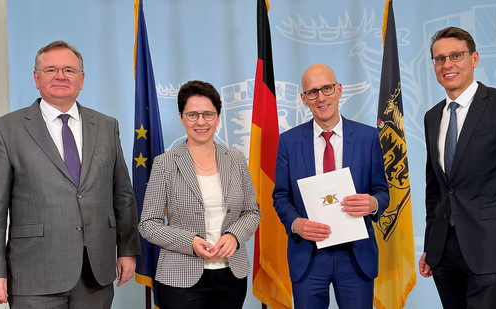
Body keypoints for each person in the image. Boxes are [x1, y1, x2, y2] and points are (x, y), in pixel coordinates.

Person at [0, 40, 140, 308]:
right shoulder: (6, 130)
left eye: (69, 70)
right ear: (36, 78)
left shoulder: (107, 126)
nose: (60, 76)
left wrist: (128, 250)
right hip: (33, 275)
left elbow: (122, 196)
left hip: (95, 275)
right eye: (51, 70)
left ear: (82, 79)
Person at [420, 26, 496, 309]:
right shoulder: (432, 117)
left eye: (456, 56)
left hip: (490, 251)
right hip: (444, 254)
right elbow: (435, 189)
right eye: (440, 59)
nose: (447, 65)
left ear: (474, 58)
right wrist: (430, 245)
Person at [272, 63, 389, 308]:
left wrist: (373, 203)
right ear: (304, 99)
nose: (321, 97)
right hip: (309, 254)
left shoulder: (368, 137)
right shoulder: (289, 142)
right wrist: (295, 223)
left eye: (327, 88)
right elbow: (281, 196)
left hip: (355, 254)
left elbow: (382, 191)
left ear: (339, 89)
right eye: (313, 92)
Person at [139, 80, 261, 309]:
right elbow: (148, 224)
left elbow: (251, 212)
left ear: (218, 117)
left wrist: (234, 236)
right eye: (193, 115)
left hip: (231, 276)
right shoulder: (165, 164)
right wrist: (190, 242)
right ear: (181, 117)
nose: (201, 122)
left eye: (208, 114)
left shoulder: (236, 160)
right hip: (179, 278)